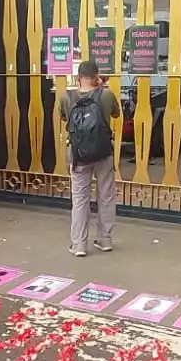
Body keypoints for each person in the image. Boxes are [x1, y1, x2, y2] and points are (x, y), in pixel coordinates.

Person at [56, 60, 121, 257]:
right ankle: (105, 239)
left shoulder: (66, 97)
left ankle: (79, 244)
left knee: (80, 198)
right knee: (106, 195)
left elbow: (64, 118)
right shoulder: (107, 95)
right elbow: (116, 114)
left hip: (78, 156)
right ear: (97, 77)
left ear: (78, 78)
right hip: (103, 153)